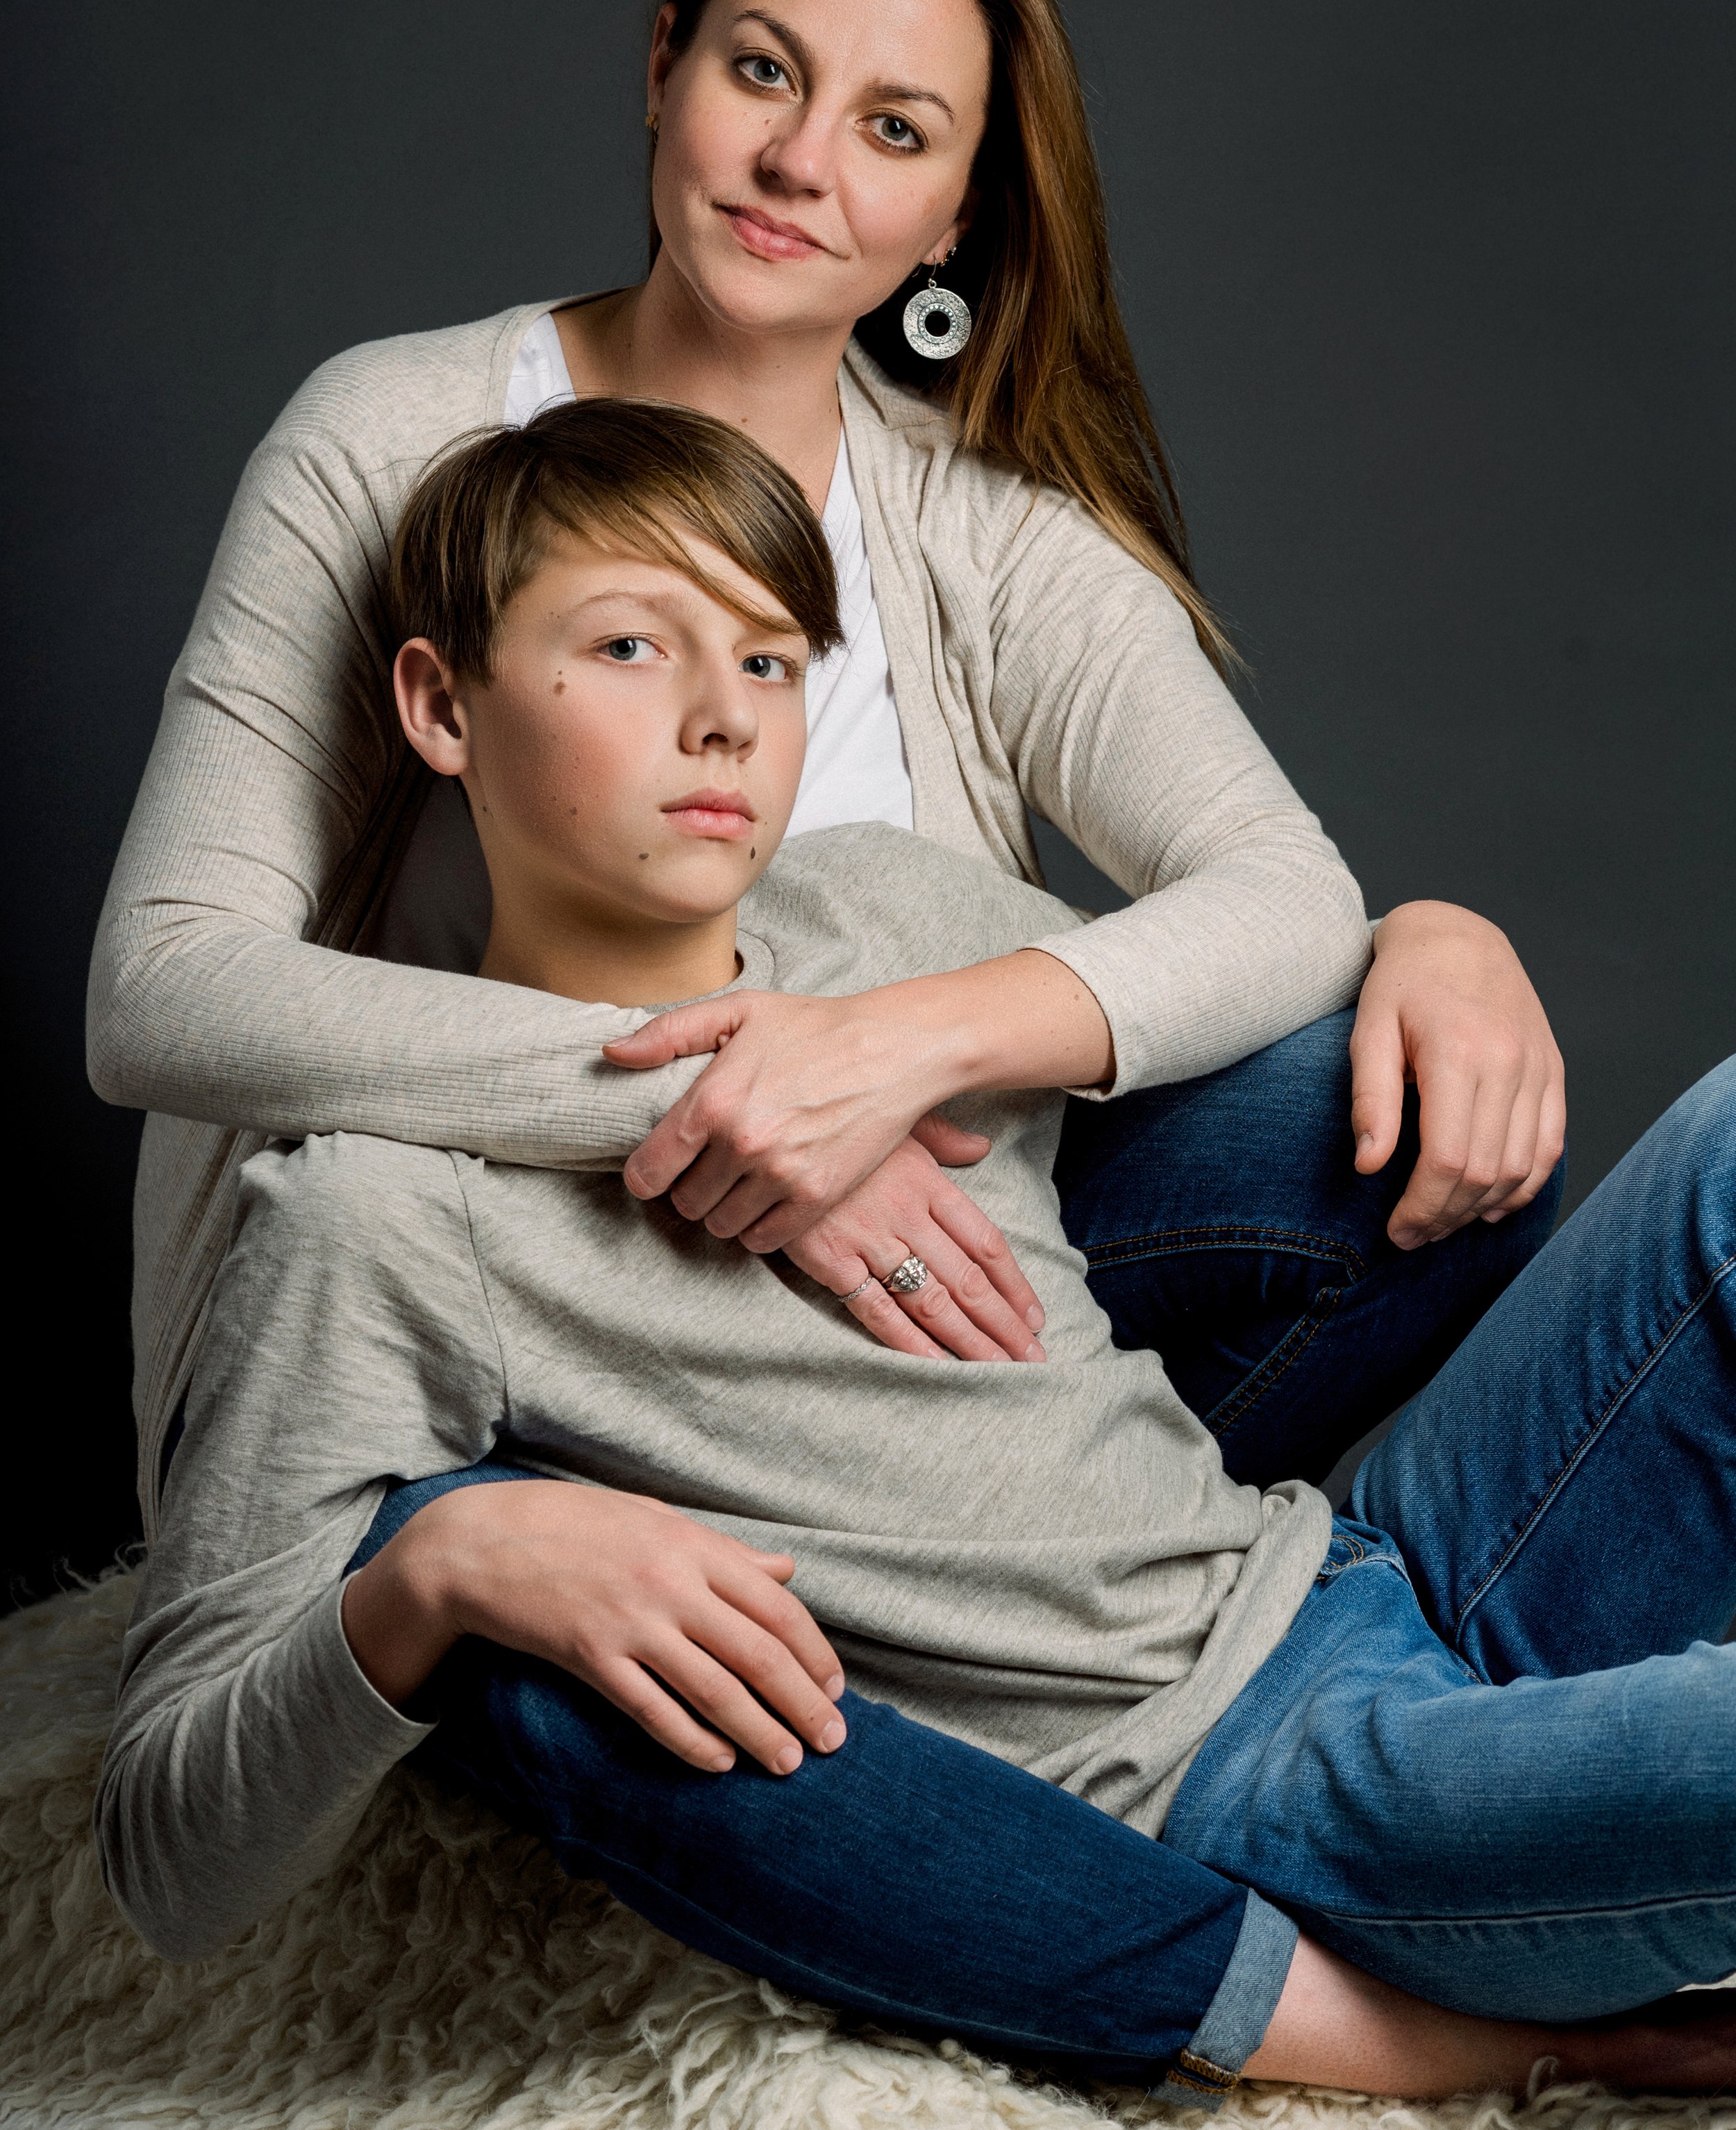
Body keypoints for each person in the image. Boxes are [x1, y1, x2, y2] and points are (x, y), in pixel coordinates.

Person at [88, 0, 1563, 2078]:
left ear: (958, 218)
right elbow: (165, 991)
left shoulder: (981, 531)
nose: (799, 163)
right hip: (481, 1354)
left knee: (1402, 1091)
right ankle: (1331, 2020)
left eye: (895, 129)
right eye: (760, 72)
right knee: (534, 1606)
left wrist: (891, 1053)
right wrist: (720, 1090)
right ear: (663, 66)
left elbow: (1275, 895)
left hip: (874, 1356)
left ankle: (1034, 1662)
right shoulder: (400, 434)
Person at [99, 404, 1736, 2105]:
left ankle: (1560, 1782)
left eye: (769, 655)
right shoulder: (371, 1212)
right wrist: (428, 1576)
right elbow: (169, 1856)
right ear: (442, 705)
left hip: (1355, 1566)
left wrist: (1428, 931)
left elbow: (1262, 983)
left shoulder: (880, 912)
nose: (722, 714)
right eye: (631, 643)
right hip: (1238, 1776)